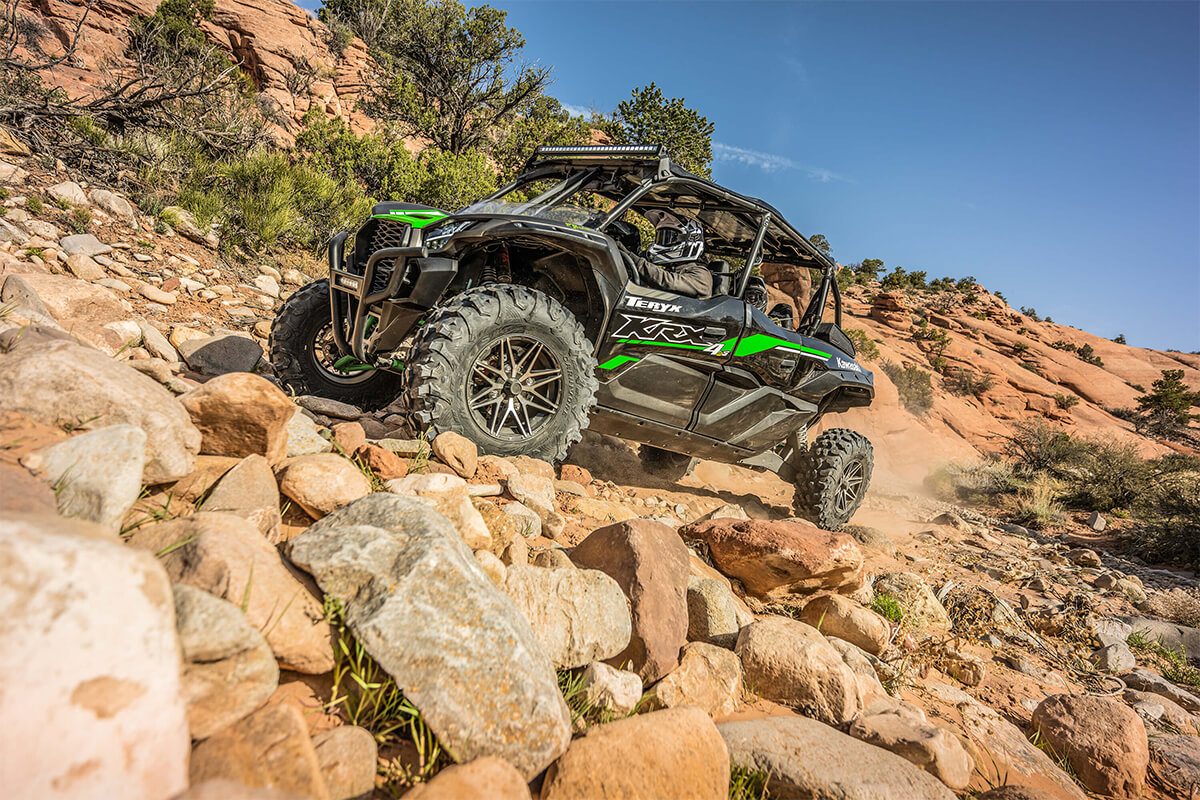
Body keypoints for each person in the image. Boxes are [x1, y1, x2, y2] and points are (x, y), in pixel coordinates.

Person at [618, 211, 713, 300]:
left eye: (668, 238)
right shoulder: (675, 269)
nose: (661, 243)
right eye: (661, 237)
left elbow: (668, 282)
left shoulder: (702, 276)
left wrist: (633, 258)